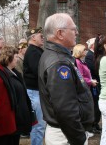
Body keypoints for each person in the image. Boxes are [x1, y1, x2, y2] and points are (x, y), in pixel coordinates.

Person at [39, 13, 94, 145]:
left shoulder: (58, 56)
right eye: (73, 29)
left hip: (66, 133)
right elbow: (65, 109)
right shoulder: (59, 63)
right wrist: (79, 138)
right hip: (66, 135)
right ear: (60, 33)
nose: (77, 32)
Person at [0, 46, 33, 144]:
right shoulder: (3, 74)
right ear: (9, 58)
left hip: (19, 117)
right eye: (16, 57)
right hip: (12, 118)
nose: (17, 59)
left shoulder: (15, 73)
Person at [23, 27, 46, 145]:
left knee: (40, 125)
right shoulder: (32, 51)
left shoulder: (37, 50)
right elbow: (39, 71)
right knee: (38, 125)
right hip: (34, 92)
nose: (43, 38)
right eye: (40, 36)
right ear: (33, 38)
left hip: (38, 91)